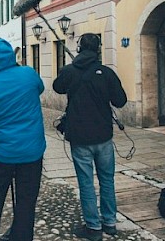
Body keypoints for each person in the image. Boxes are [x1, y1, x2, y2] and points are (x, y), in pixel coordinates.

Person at [52, 33, 127, 241]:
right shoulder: (106, 72)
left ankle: (93, 227)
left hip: (80, 137)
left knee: (86, 183)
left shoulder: (69, 71)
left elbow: (57, 87)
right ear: (98, 49)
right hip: (103, 135)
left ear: (79, 48)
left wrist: (69, 70)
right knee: (107, 180)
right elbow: (120, 101)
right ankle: (109, 222)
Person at [0, 38, 46, 241]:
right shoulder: (29, 74)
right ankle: (21, 236)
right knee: (27, 199)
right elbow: (39, 89)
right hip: (32, 151)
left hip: (4, 153)